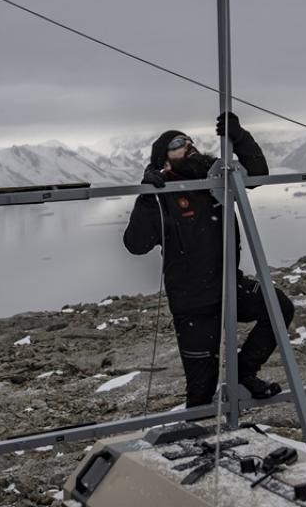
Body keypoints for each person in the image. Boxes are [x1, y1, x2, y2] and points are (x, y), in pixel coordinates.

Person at [123, 112, 296, 407]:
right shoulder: (162, 194)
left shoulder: (214, 177)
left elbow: (257, 172)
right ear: (164, 161)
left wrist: (238, 136)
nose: (188, 144)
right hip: (193, 303)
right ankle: (197, 428)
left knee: (279, 308)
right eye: (177, 143)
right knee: (201, 392)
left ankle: (243, 373)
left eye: (189, 140)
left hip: (229, 285)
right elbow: (136, 244)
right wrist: (146, 196)